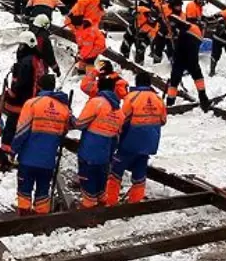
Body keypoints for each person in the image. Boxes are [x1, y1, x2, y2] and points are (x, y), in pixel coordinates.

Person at [12, 74, 73, 215]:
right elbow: (65, 129)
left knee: (24, 191)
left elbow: (22, 131)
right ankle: (41, 220)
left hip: (28, 157)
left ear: (38, 86)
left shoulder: (32, 103)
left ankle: (24, 220)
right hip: (48, 160)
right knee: (43, 192)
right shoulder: (64, 108)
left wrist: (13, 150)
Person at [105, 72, 167, 206]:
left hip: (130, 142)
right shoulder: (158, 99)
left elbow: (122, 119)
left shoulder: (131, 97)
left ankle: (110, 202)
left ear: (136, 82)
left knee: (116, 171)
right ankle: (135, 203)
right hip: (149, 143)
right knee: (140, 172)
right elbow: (163, 120)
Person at [76, 75, 125, 209]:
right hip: (105, 155)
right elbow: (117, 135)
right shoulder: (119, 111)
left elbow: (80, 124)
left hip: (89, 152)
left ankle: (88, 214)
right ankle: (102, 210)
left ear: (99, 87)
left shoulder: (96, 103)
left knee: (88, 184)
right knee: (100, 184)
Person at [0, 32, 46, 164]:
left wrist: (10, 93)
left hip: (19, 104)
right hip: (32, 102)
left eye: (21, 45)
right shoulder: (38, 60)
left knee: (11, 130)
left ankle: (6, 157)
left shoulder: (25, 62)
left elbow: (20, 84)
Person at [164, 13, 210, 109]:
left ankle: (170, 101)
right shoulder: (199, 35)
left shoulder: (192, 27)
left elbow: (176, 20)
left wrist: (170, 20)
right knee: (197, 76)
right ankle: (203, 98)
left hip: (180, 56)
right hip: (191, 58)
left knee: (174, 79)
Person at [120, 0, 158, 65]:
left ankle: (139, 66)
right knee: (125, 47)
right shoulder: (143, 10)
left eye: (153, 19)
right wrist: (133, 12)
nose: (151, 20)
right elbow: (131, 8)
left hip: (142, 38)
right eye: (150, 18)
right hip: (131, 32)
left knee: (140, 52)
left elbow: (150, 38)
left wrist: (143, 46)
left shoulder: (155, 26)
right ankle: (123, 62)